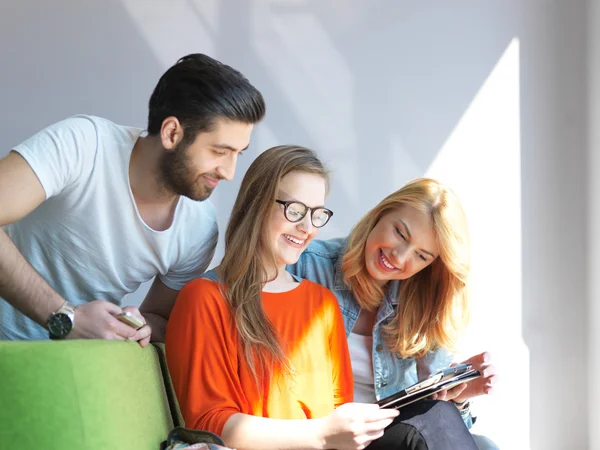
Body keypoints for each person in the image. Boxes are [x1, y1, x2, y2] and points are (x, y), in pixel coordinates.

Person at [0, 53, 265, 344]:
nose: (229, 172)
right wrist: (64, 316)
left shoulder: (199, 228)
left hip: (67, 368)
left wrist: (142, 326)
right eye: (219, 151)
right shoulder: (84, 145)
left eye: (239, 154)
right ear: (172, 133)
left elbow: (160, 319)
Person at [165, 146, 402, 450]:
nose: (306, 228)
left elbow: (339, 418)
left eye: (317, 215)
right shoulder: (204, 298)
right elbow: (208, 423)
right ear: (257, 204)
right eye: (294, 210)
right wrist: (322, 435)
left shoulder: (323, 306)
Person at [288, 178, 498, 449]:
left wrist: (458, 398)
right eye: (400, 233)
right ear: (381, 213)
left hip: (384, 439)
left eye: (421, 256)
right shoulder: (306, 266)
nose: (399, 257)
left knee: (481, 442)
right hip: (320, 436)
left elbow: (441, 426)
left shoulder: (423, 301)